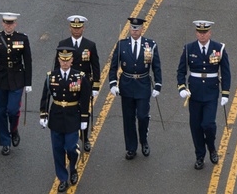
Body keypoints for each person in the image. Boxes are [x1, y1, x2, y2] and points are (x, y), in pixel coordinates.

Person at [177, 20, 232, 170]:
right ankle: (200, 155)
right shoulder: (189, 49)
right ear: (196, 33)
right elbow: (181, 70)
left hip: (211, 92)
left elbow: (226, 72)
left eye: (205, 32)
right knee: (195, 126)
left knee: (208, 124)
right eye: (200, 33)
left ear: (210, 33)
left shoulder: (218, 48)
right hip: (194, 93)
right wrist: (181, 87)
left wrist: (225, 93)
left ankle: (212, 148)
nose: (202, 35)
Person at [109, 17, 162, 159]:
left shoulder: (150, 45)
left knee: (143, 116)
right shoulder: (122, 45)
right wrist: (113, 83)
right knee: (128, 118)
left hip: (143, 84)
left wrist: (158, 84)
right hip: (126, 84)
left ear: (142, 29)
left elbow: (156, 66)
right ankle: (131, 147)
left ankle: (143, 140)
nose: (134, 31)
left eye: (137, 28)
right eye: (132, 28)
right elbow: (113, 65)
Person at [40, 46, 91, 193]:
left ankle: (73, 168)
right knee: (57, 150)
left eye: (67, 60)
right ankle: (62, 178)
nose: (64, 63)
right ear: (58, 60)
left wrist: (84, 117)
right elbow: (46, 96)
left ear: (72, 60)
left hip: (72, 116)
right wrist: (43, 114)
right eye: (62, 60)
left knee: (70, 147)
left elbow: (85, 98)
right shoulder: (52, 76)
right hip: (56, 117)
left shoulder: (79, 77)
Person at [0, 12, 32, 156]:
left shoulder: (22, 38)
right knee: (0, 112)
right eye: (6, 23)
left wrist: (28, 82)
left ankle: (13, 130)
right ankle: (5, 142)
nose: (8, 26)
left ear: (15, 24)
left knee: (12, 110)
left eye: (11, 23)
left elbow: (28, 61)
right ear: (2, 24)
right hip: (0, 78)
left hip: (17, 78)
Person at [54, 15, 101, 152]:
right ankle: (69, 137)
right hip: (68, 83)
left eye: (79, 27)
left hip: (85, 84)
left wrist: (96, 84)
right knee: (69, 110)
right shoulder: (63, 44)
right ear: (70, 28)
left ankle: (85, 138)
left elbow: (95, 66)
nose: (76, 30)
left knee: (84, 110)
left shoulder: (90, 45)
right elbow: (57, 65)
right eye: (74, 28)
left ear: (83, 28)